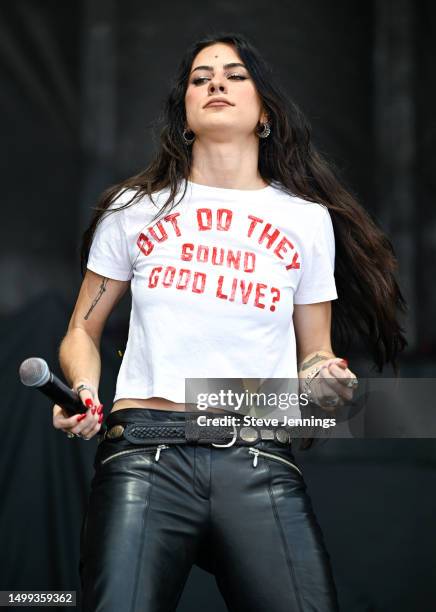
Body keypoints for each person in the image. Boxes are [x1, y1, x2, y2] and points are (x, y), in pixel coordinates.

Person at [52, 32, 407, 612]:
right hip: (146, 453)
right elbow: (82, 331)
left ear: (264, 111)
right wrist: (84, 389)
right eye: (200, 77)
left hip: (259, 455)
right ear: (186, 114)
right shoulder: (134, 209)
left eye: (235, 74)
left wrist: (326, 378)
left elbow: (313, 355)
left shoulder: (306, 220)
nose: (216, 82)